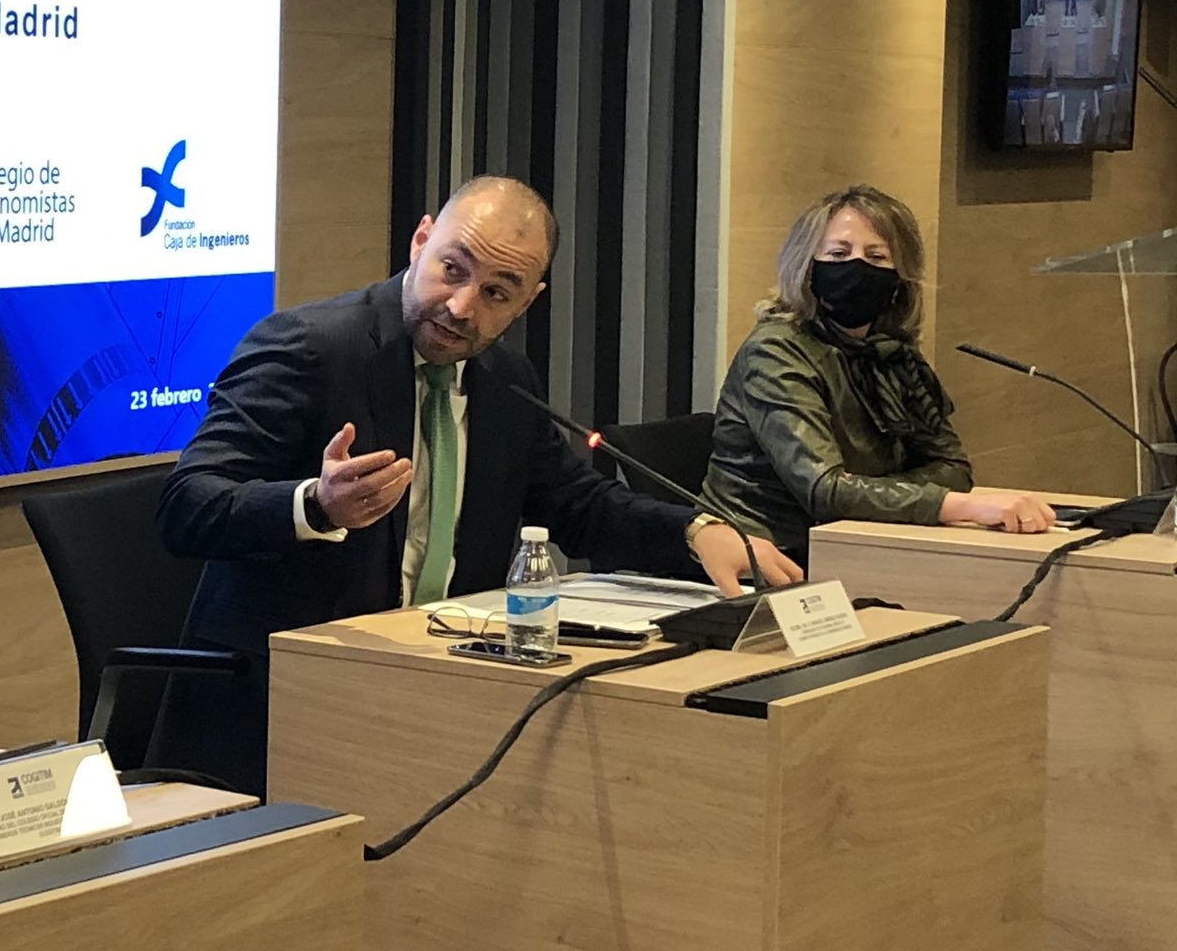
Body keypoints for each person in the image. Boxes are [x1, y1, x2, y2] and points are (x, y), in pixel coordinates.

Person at [148, 176, 801, 796]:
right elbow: (188, 504)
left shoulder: (504, 380)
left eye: (496, 292)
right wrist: (316, 505)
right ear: (420, 241)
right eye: (453, 269)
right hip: (285, 707)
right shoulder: (309, 347)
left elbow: (579, 505)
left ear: (528, 301)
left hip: (447, 689)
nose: (462, 307)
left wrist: (695, 531)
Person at [701, 183, 1056, 567]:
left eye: (876, 257)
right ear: (806, 267)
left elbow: (953, 468)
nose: (857, 267)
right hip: (768, 556)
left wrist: (873, 494)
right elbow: (825, 492)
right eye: (839, 254)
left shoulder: (891, 351)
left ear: (900, 276)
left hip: (863, 542)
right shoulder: (775, 350)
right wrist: (963, 506)